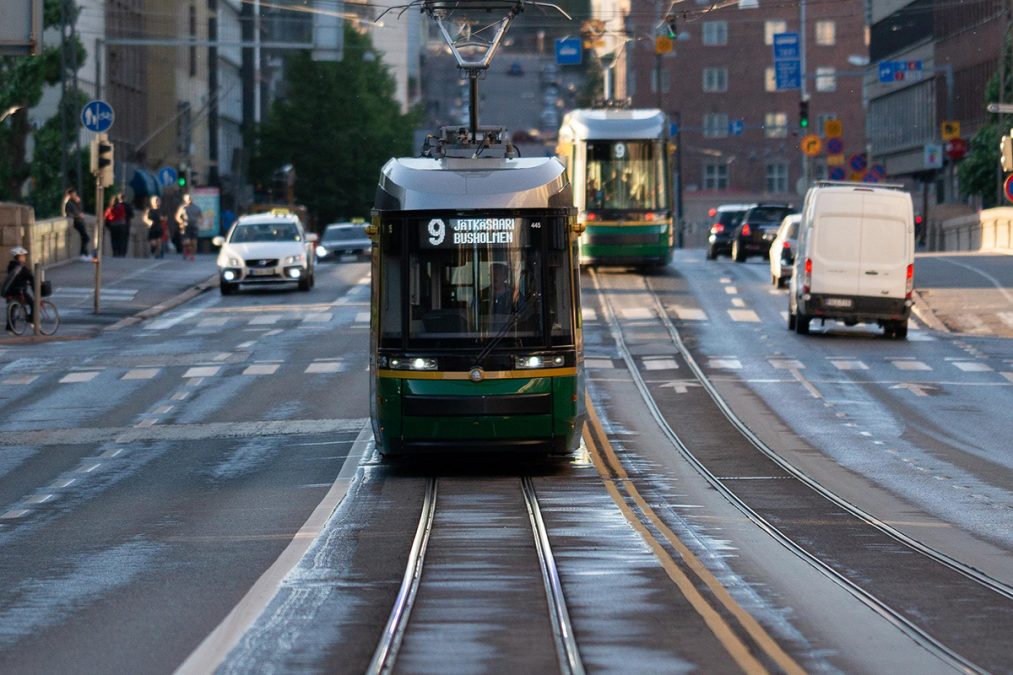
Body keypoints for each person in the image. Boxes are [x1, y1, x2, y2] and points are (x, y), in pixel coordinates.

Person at [3, 247, 35, 330]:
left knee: (12, 308)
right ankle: (31, 320)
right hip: (20, 291)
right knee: (33, 304)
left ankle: (10, 328)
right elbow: (31, 278)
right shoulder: (22, 268)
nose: (24, 257)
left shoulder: (10, 266)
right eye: (23, 256)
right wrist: (35, 291)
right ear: (20, 257)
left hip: (10, 291)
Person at [63, 188, 91, 260]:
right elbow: (68, 214)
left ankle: (85, 254)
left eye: (75, 194)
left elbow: (80, 210)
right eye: (73, 194)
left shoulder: (75, 202)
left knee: (84, 238)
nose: (75, 195)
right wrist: (78, 216)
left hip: (81, 222)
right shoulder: (68, 203)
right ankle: (83, 254)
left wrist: (78, 203)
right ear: (70, 195)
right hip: (77, 222)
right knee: (86, 238)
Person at [175, 194, 202, 261]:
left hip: (194, 226)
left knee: (194, 243)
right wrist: (181, 222)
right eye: (188, 198)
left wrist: (199, 222)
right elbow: (177, 217)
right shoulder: (182, 208)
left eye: (190, 198)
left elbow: (201, 216)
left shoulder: (197, 207)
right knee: (187, 242)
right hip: (185, 227)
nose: (189, 199)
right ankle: (186, 251)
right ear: (185, 199)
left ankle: (192, 256)